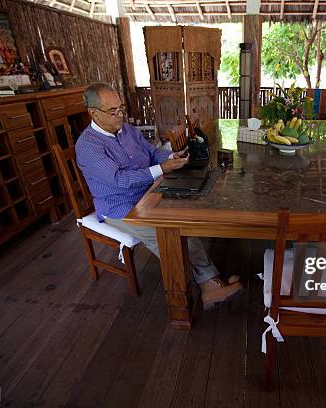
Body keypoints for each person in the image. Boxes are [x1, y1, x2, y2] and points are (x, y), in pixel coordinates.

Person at [75, 82, 242, 307]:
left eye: (121, 108)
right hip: (120, 207)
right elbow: (118, 181)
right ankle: (197, 289)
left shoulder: (128, 131)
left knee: (189, 217)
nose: (119, 115)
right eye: (112, 111)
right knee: (170, 234)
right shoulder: (88, 146)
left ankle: (209, 279)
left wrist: (172, 156)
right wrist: (162, 169)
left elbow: (153, 153)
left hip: (150, 192)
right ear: (93, 113)